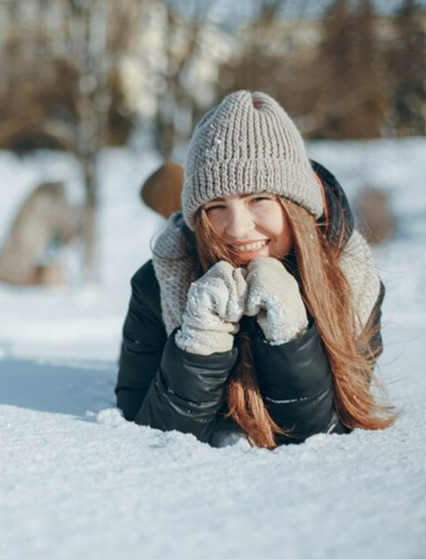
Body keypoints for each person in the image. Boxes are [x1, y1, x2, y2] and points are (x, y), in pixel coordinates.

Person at [115, 90, 396, 449]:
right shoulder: (158, 281)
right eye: (216, 205)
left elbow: (327, 436)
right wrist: (198, 345)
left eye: (259, 198)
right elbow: (142, 431)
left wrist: (292, 337)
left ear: (294, 205)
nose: (237, 228)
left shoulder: (351, 279)